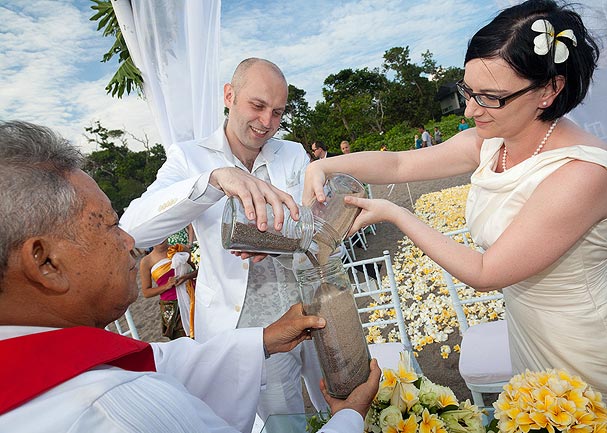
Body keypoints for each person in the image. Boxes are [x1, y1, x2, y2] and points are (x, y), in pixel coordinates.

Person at [302, 1, 607, 430]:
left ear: (549, 90)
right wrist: (322, 166)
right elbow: (400, 165)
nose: (470, 110)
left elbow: (487, 271)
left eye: (491, 98)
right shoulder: (492, 140)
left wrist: (394, 213)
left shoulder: (584, 173)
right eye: (468, 91)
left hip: (585, 340)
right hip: (527, 329)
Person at [0, 120, 380, 433]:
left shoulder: (39, 355)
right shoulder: (113, 412)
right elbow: (143, 222)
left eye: (277, 110)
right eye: (111, 226)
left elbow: (159, 361)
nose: (128, 240)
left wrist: (262, 339)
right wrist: (349, 418)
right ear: (45, 263)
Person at [119, 58, 329, 425]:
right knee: (286, 421)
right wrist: (214, 181)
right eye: (258, 106)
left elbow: (316, 228)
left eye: (277, 112)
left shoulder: (293, 152)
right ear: (229, 95)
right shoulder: (189, 157)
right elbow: (134, 229)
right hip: (252, 329)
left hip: (312, 303)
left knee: (338, 399)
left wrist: (281, 239)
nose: (267, 123)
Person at [139, 237, 197, 339]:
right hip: (171, 307)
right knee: (182, 341)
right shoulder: (146, 261)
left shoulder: (180, 249)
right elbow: (146, 292)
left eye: (161, 235)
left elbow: (199, 270)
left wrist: (187, 276)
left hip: (193, 297)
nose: (159, 239)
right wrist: (166, 286)